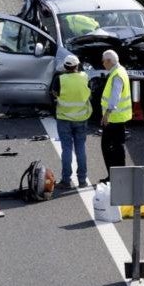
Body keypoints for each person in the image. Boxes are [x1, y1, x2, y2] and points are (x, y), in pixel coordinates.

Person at [52, 54, 91, 190]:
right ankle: (82, 180)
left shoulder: (60, 79)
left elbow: (54, 94)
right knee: (81, 148)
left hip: (64, 118)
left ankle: (66, 180)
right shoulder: (85, 77)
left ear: (65, 66)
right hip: (81, 118)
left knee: (67, 149)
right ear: (77, 65)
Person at [99, 49, 132, 183]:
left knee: (108, 147)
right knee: (117, 147)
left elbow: (115, 96)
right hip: (119, 117)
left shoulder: (116, 75)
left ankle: (114, 177)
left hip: (114, 118)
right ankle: (117, 176)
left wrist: (107, 113)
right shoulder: (121, 71)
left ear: (108, 61)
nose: (102, 64)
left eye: (103, 61)